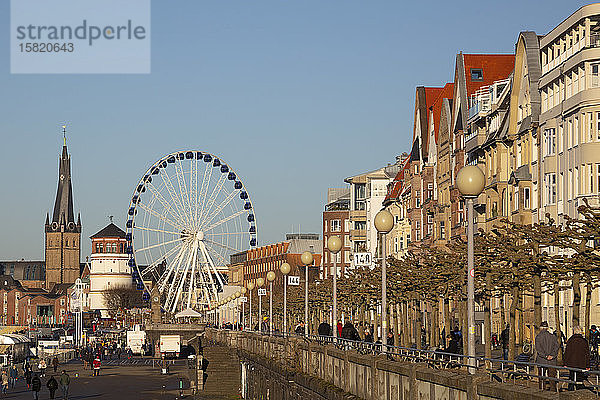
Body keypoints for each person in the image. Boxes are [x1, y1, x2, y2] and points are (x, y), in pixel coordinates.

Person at [564, 325, 590, 391]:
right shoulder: (584, 341)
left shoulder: (570, 340)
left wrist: (565, 363)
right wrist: (587, 365)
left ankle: (570, 391)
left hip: (571, 363)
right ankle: (579, 391)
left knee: (572, 378)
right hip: (581, 364)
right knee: (579, 379)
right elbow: (587, 354)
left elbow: (567, 353)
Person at [535, 321, 559, 391]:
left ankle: (542, 391)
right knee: (552, 378)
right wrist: (552, 355)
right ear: (547, 328)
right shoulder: (553, 337)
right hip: (552, 361)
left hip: (541, 360)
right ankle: (553, 391)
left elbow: (538, 349)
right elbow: (556, 347)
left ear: (540, 328)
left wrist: (545, 356)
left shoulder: (538, 337)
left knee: (542, 378)